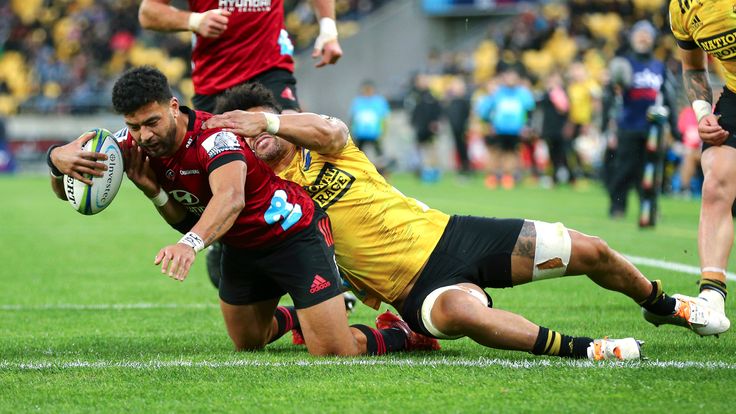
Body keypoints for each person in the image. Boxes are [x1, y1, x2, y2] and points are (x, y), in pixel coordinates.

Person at [205, 83, 730, 361]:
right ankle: (587, 349)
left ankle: (661, 305)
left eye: (261, 125)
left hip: (455, 233)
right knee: (462, 313)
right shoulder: (260, 194)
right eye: (246, 136)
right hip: (413, 287)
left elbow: (331, 127)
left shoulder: (325, 147)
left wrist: (267, 118)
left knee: (590, 249)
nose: (257, 139)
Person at [46, 66, 438, 357]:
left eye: (152, 122)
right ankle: (302, 315)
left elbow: (229, 198)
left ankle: (403, 334)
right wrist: (56, 159)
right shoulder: (131, 144)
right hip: (243, 247)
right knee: (249, 342)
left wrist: (189, 244)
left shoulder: (216, 138)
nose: (145, 136)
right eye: (133, 127)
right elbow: (71, 190)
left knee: (333, 352)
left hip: (292, 234)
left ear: (172, 106)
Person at [138, 0, 343, 113]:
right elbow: (148, 12)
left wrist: (328, 30)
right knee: (221, 168)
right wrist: (194, 20)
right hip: (215, 79)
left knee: (287, 138)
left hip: (270, 65)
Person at [664, 0, 734, 329]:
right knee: (716, 180)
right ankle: (712, 298)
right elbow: (693, 68)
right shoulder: (682, 8)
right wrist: (703, 114)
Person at [606, 20, 680, 219]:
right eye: (639, 34)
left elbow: (669, 98)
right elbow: (611, 96)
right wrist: (608, 125)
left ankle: (650, 209)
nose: (643, 38)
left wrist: (673, 128)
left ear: (653, 40)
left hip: (653, 128)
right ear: (632, 38)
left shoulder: (659, 66)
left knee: (651, 172)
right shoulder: (623, 63)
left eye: (647, 35)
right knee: (624, 169)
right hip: (628, 125)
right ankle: (617, 207)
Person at [475, 66, 535, 189]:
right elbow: (485, 110)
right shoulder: (497, 93)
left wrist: (527, 127)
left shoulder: (523, 94)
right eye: (508, 77)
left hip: (515, 130)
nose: (510, 80)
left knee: (512, 153)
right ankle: (492, 176)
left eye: (513, 77)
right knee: (496, 153)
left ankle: (508, 177)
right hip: (499, 129)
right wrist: (488, 123)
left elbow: (530, 111)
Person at [349, 80, 390, 169]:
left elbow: (384, 118)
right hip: (360, 134)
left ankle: (384, 173)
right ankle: (359, 172)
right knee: (358, 155)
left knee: (380, 156)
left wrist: (383, 132)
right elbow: (353, 118)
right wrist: (352, 133)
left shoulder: (379, 101)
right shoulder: (357, 101)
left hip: (375, 133)